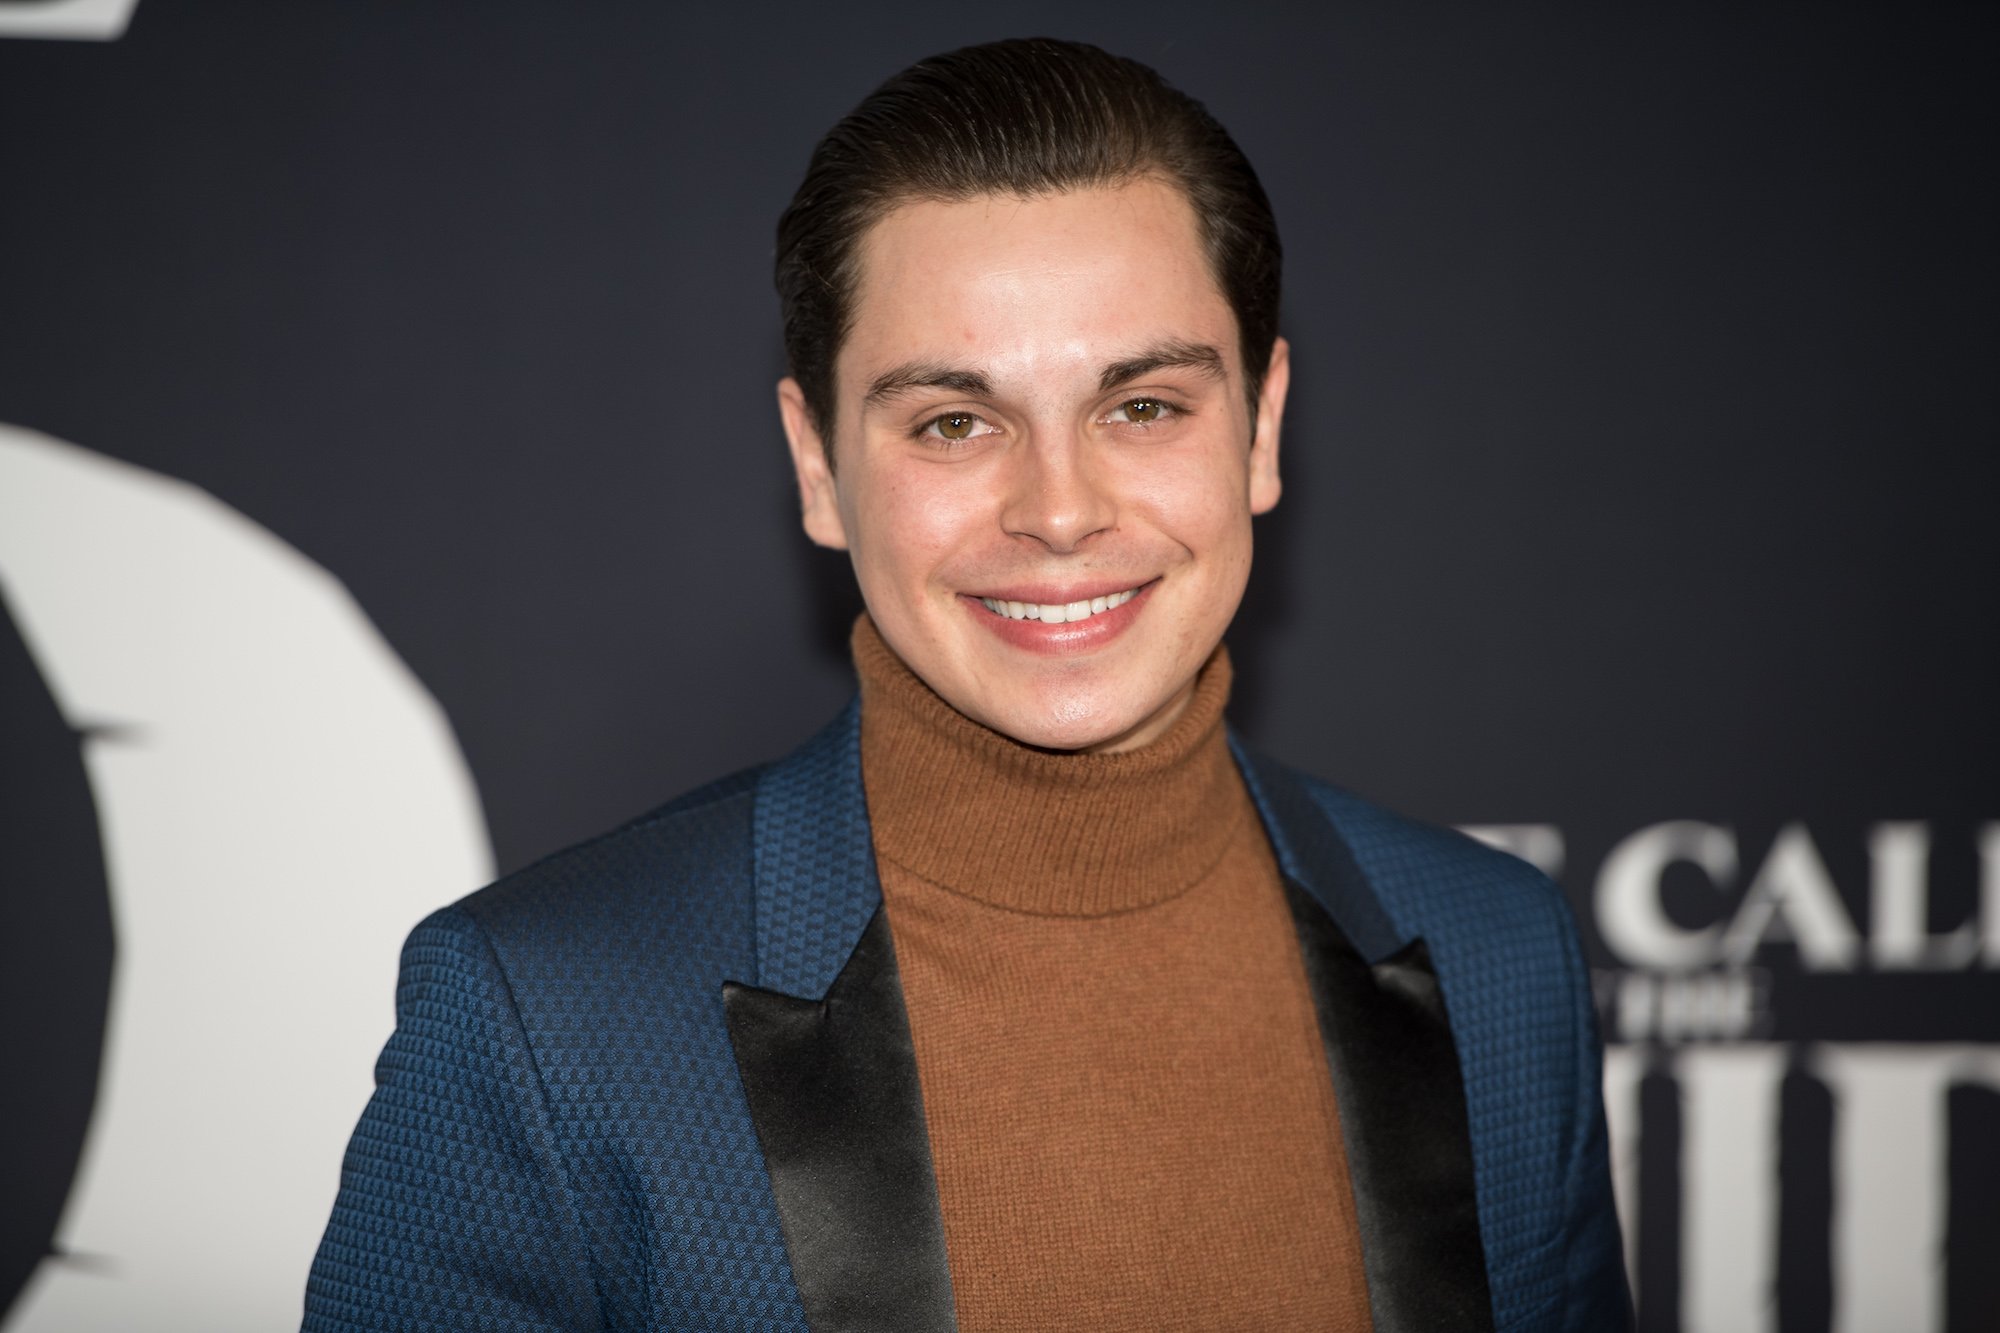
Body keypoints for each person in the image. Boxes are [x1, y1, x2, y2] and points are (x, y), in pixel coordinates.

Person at [304, 37, 1630, 1333]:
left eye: (1145, 406)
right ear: (818, 466)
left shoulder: (1497, 959)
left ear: (1263, 428)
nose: (1059, 511)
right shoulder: (545, 1015)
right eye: (953, 421)